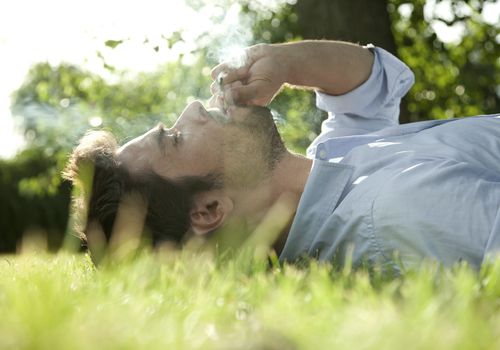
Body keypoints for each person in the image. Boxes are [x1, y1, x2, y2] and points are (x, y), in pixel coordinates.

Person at [64, 40, 500, 271]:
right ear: (209, 210)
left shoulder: (328, 165)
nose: (193, 107)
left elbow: (369, 84)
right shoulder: (392, 213)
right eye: (175, 138)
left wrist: (284, 63)